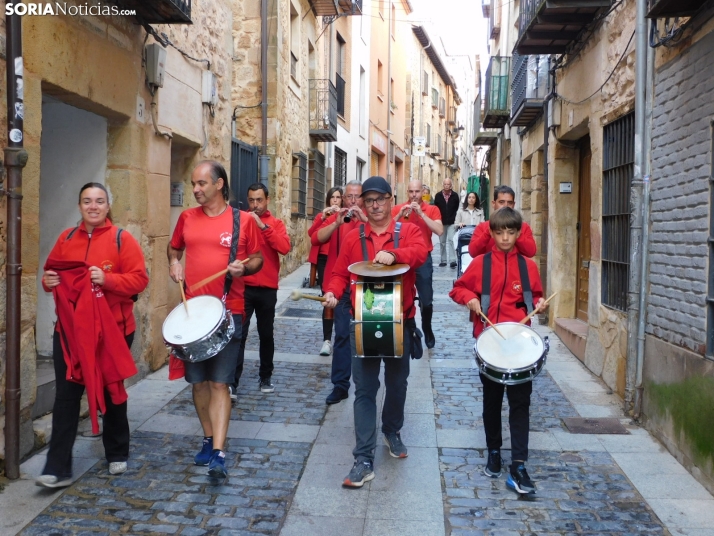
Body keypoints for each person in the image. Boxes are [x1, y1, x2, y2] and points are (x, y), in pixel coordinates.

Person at [37, 182, 149, 488]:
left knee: (113, 392)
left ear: (107, 206)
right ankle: (57, 468)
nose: (93, 206)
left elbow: (139, 280)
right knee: (66, 397)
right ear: (79, 206)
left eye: (99, 201)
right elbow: (52, 277)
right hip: (70, 334)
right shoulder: (66, 238)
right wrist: (49, 281)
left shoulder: (121, 239)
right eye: (87, 201)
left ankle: (117, 451)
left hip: (113, 332)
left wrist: (108, 279)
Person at [323, 176, 428, 488]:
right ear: (362, 204)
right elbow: (341, 272)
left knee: (397, 384)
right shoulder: (354, 236)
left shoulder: (407, 230)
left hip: (401, 321)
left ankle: (392, 429)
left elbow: (420, 252)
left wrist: (395, 255)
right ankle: (363, 457)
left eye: (380, 199)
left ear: (390, 199)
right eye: (368, 200)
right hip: (364, 321)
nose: (374, 205)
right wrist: (331, 292)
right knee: (365, 390)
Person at [168, 161, 263, 479]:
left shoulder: (243, 220)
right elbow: (173, 248)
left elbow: (258, 259)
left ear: (219, 184)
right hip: (192, 313)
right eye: (193, 183)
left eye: (202, 184)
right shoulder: (186, 218)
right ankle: (208, 438)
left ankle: (219, 452)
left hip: (228, 310)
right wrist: (174, 263)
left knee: (221, 382)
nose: (195, 189)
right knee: (198, 383)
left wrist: (243, 268)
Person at [449, 207, 547, 494]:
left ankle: (518, 462)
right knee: (491, 401)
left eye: (511, 232)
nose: (505, 238)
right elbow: (457, 289)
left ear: (518, 233)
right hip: (489, 339)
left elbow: (537, 295)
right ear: (491, 233)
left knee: (520, 403)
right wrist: (469, 298)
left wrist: (540, 303)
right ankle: (494, 449)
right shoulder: (481, 263)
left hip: (519, 342)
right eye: (500, 232)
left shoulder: (528, 266)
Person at [231, 183, 291, 397]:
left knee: (266, 334)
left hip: (267, 289)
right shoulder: (240, 221)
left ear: (267, 200)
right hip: (244, 287)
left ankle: (266, 376)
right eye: (251, 200)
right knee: (239, 334)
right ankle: (233, 382)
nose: (255, 205)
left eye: (259, 200)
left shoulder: (276, 223)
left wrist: (264, 228)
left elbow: (284, 247)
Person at [311, 180, 367, 405]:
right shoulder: (338, 219)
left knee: (365, 336)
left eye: (357, 197)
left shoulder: (369, 218)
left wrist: (363, 219)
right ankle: (340, 385)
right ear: (343, 199)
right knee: (342, 335)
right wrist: (335, 222)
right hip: (341, 284)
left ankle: (365, 383)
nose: (353, 201)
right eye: (349, 197)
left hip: (364, 285)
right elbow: (316, 238)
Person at [392, 179, 443, 348]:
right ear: (407, 192)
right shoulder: (399, 208)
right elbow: (386, 229)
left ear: (423, 192)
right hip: (402, 258)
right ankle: (405, 330)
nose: (414, 195)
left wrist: (421, 214)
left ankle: (427, 328)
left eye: (417, 192)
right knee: (399, 297)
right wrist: (399, 215)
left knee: (426, 300)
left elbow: (439, 230)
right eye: (411, 192)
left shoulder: (432, 209)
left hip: (422, 258)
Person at [308, 187, 343, 356]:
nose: (335, 200)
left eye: (338, 197)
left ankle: (342, 337)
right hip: (324, 259)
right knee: (326, 297)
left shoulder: (345, 217)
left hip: (340, 258)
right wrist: (323, 217)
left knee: (342, 299)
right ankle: (327, 340)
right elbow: (311, 234)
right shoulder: (323, 216)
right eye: (332, 197)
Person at [468, 185, 537, 258]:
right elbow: (473, 252)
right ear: (493, 204)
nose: (505, 206)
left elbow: (531, 252)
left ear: (513, 205)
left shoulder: (523, 227)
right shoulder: (483, 227)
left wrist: (515, 232)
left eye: (510, 203)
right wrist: (489, 232)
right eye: (501, 202)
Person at [434, 178, 460, 267]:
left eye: (448, 184)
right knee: (442, 242)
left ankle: (453, 260)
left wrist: (456, 219)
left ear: (451, 185)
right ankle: (443, 260)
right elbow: (436, 209)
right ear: (443, 185)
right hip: (441, 223)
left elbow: (457, 209)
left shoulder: (455, 196)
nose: (446, 186)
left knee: (452, 240)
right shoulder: (438, 196)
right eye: (445, 184)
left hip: (452, 222)